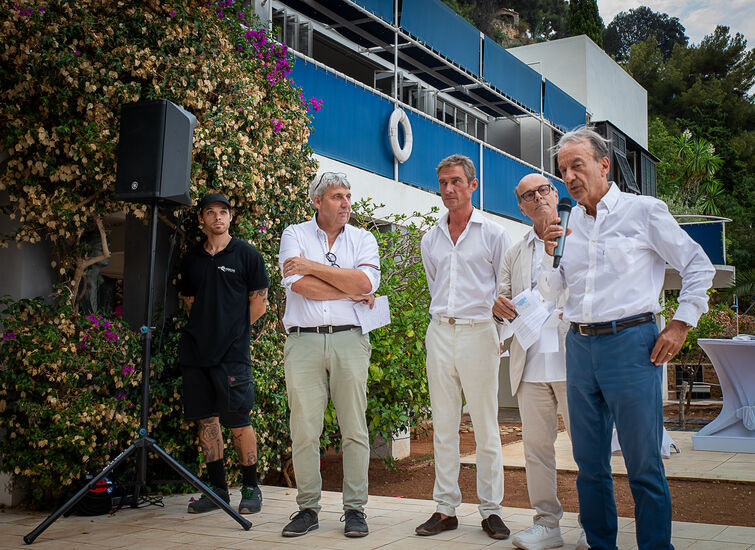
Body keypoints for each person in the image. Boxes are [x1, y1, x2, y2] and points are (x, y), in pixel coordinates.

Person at [538, 127, 715, 550]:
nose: (569, 177)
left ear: (604, 165)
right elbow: (554, 290)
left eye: (577, 166)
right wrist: (548, 257)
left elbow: (697, 265)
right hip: (580, 346)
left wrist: (680, 323)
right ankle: (601, 544)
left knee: (643, 463)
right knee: (589, 465)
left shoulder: (644, 212)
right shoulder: (568, 223)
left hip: (632, 345)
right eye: (563, 171)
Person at [415, 154, 512, 540]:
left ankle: (491, 510)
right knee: (443, 425)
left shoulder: (494, 234)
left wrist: (497, 337)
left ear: (473, 185)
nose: (448, 189)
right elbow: (435, 286)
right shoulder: (431, 237)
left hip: (479, 333)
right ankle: (445, 509)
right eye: (443, 183)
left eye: (456, 181)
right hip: (440, 332)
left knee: (486, 426)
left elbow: (504, 291)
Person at [278, 172, 380, 538]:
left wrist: (312, 267)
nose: (346, 203)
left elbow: (366, 283)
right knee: (304, 430)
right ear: (317, 201)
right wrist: (348, 287)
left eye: (348, 196)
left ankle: (355, 510)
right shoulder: (294, 234)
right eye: (337, 196)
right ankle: (308, 508)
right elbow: (301, 287)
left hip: (350, 340)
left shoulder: (363, 238)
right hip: (303, 342)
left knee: (354, 428)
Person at [493, 173, 587, 550]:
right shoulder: (515, 252)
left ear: (555, 193)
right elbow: (501, 298)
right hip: (530, 361)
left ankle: (593, 523)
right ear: (521, 206)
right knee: (536, 450)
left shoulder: (582, 235)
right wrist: (498, 307)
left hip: (574, 359)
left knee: (587, 447)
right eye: (528, 195)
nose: (538, 198)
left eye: (543, 190)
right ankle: (547, 524)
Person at [177, 193, 269, 515]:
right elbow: (189, 302)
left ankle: (250, 487)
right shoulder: (192, 259)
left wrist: (232, 334)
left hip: (232, 355)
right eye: (211, 212)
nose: (218, 217)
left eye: (223, 212)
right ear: (201, 219)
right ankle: (217, 491)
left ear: (231, 217)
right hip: (196, 353)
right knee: (207, 422)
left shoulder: (247, 255)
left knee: (239, 421)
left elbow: (259, 303)